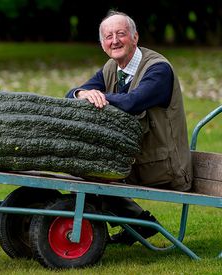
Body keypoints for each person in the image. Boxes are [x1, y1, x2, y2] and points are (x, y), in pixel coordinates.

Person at [66, 10, 193, 245]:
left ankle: (117, 228)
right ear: (102, 44)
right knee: (81, 165)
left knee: (88, 169)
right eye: (108, 36)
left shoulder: (158, 69)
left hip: (163, 166)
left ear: (135, 37)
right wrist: (82, 93)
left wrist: (97, 96)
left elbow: (133, 102)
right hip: (133, 161)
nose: (115, 41)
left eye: (121, 34)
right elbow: (71, 95)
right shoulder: (111, 68)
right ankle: (135, 224)